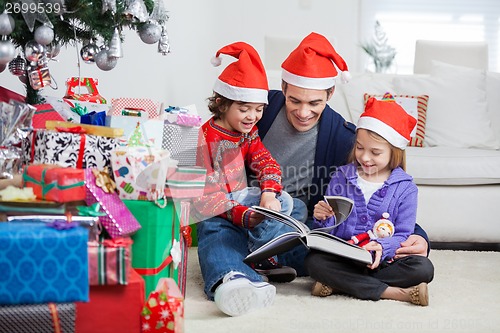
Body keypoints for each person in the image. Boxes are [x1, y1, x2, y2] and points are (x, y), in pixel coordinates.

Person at [252, 32, 430, 277]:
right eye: (294, 100)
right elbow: (220, 133)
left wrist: (420, 238)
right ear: (283, 88)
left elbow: (379, 202)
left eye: (314, 103)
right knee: (216, 230)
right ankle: (236, 273)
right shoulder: (260, 109)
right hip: (249, 209)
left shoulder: (343, 138)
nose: (303, 112)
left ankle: (253, 261)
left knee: (323, 253)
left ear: (330, 93)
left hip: (294, 227)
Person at [192, 42, 297, 317]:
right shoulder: (201, 137)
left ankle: (257, 257)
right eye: (244, 108)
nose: (252, 116)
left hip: (240, 205)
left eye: (258, 109)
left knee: (286, 203)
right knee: (216, 234)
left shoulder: (248, 133)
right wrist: (241, 215)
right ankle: (232, 279)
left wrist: (268, 194)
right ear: (221, 103)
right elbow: (203, 196)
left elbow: (266, 162)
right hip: (214, 208)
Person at [305, 96, 434, 306]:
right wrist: (323, 218)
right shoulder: (341, 176)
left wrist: (382, 247)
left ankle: (339, 284)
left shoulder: (406, 187)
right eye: (359, 148)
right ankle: (394, 292)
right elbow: (332, 230)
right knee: (314, 262)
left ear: (394, 153)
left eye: (375, 152)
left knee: (424, 268)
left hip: (384, 260)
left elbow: (403, 233)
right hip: (346, 258)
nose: (365, 157)